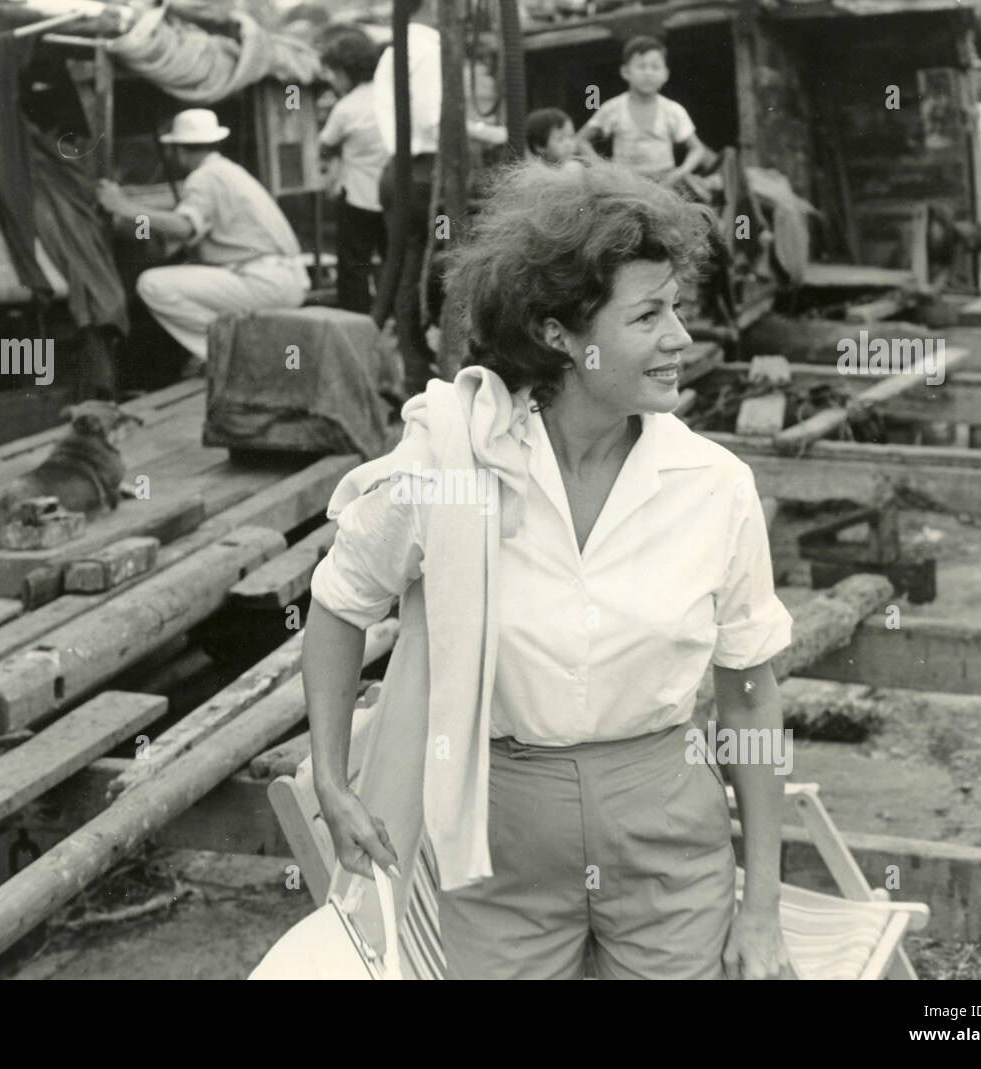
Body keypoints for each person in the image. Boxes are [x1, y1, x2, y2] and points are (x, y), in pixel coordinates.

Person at [302, 159, 794, 980]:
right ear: (559, 334)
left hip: (666, 824)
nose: (681, 337)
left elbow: (749, 690)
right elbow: (340, 600)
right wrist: (327, 774)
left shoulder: (715, 486)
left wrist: (764, 905)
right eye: (648, 315)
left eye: (676, 306)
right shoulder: (454, 462)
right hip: (498, 834)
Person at [96, 109, 309, 378]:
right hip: (284, 277)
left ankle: (236, 354)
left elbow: (185, 227)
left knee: (151, 284)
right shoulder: (226, 171)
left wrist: (123, 207)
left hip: (264, 281)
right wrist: (138, 224)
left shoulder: (204, 177)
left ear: (179, 150)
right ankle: (235, 351)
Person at [372, 0, 507, 395]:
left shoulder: (392, 51)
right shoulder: (430, 49)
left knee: (407, 270)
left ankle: (415, 369)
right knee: (440, 265)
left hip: (397, 173)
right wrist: (491, 133)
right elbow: (437, 118)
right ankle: (447, 365)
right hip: (425, 177)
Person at [576, 34, 710, 185]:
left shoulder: (673, 110)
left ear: (665, 74)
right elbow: (581, 140)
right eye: (641, 66)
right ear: (625, 72)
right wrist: (603, 168)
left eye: (655, 67)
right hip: (625, 186)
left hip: (665, 185)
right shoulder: (613, 108)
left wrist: (680, 173)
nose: (648, 73)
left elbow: (697, 149)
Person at [319, 29, 389, 315]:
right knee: (392, 259)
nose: (333, 81)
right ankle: (395, 319)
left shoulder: (346, 108)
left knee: (354, 265)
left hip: (358, 198)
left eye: (334, 74)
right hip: (392, 196)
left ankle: (356, 319)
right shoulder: (391, 95)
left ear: (346, 72)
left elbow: (324, 144)